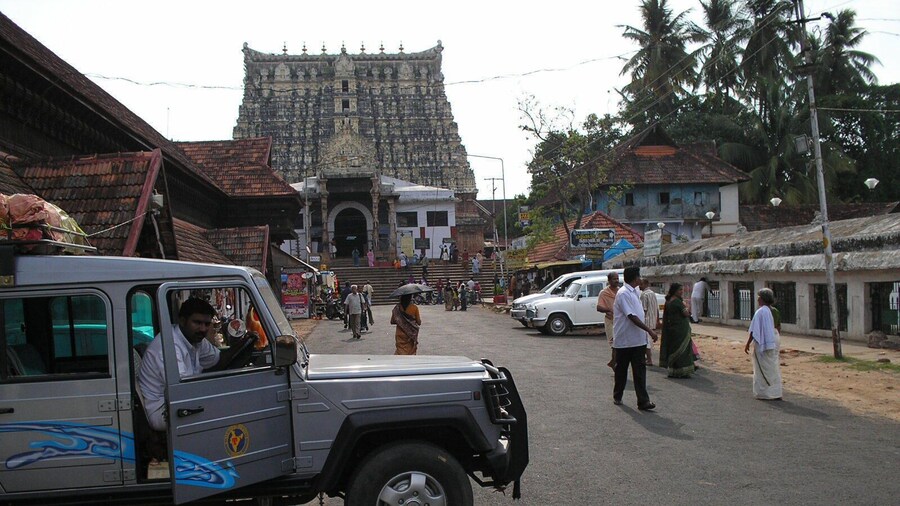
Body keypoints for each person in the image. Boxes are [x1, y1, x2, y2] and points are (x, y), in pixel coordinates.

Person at [137, 298, 252, 431]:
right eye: (197, 323)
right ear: (182, 321)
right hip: (161, 409)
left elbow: (217, 359)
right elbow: (184, 391)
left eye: (206, 324)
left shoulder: (195, 339)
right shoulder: (169, 346)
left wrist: (241, 346)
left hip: (180, 398)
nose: (202, 329)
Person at [612, 266, 659, 411]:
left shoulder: (635, 292)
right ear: (635, 278)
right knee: (621, 370)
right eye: (639, 276)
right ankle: (618, 395)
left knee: (639, 372)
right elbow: (631, 316)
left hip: (638, 340)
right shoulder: (623, 293)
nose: (640, 279)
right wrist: (649, 330)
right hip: (625, 339)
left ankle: (643, 401)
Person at [744, 288, 783, 400]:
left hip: (764, 340)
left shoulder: (760, 312)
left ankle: (765, 393)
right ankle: (776, 392)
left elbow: (754, 330)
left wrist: (748, 343)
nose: (757, 299)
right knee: (773, 365)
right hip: (774, 338)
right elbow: (778, 327)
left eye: (758, 297)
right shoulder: (774, 311)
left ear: (762, 299)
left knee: (763, 367)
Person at [659, 283, 695, 378]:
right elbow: (686, 313)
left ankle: (674, 371)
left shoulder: (668, 301)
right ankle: (683, 371)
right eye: (680, 290)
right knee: (683, 350)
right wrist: (687, 307)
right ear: (674, 290)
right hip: (680, 329)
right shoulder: (677, 302)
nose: (682, 292)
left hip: (671, 329)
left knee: (674, 349)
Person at [596, 272, 620, 369]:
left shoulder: (621, 292)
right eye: (614, 279)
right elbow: (599, 307)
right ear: (609, 281)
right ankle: (614, 364)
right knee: (614, 343)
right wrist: (608, 310)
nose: (616, 281)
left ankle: (614, 362)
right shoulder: (604, 293)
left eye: (617, 278)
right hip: (610, 320)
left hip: (620, 321)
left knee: (619, 344)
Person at [639, 279, 659, 366]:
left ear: (645, 284)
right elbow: (656, 308)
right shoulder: (652, 293)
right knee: (648, 340)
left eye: (641, 284)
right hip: (652, 320)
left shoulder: (644, 295)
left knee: (646, 342)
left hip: (646, 321)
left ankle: (649, 360)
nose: (639, 286)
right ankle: (647, 358)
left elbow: (643, 310)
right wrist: (657, 320)